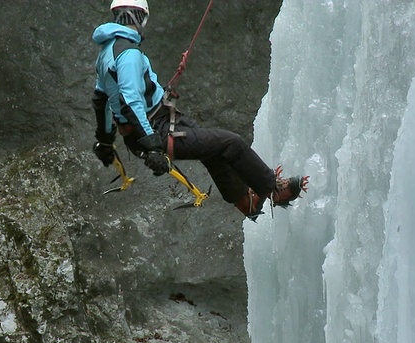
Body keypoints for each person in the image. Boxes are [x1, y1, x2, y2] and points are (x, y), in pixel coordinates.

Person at [91, 0, 309, 221]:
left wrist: (105, 140)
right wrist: (152, 146)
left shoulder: (107, 52)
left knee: (212, 148)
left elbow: (101, 100)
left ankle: (246, 201)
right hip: (157, 129)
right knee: (230, 143)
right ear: (139, 18)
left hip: (159, 122)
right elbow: (130, 101)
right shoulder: (128, 54)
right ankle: (272, 189)